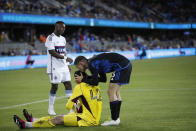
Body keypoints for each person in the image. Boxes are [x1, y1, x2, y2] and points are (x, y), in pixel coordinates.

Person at [13, 71, 102, 129]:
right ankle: (33, 119)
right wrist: (77, 105)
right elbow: (88, 105)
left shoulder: (80, 87)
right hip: (92, 117)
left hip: (87, 119)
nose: (75, 78)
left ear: (83, 77)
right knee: (61, 116)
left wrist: (74, 102)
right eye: (74, 77)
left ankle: (26, 125)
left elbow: (68, 106)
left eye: (77, 76)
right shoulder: (95, 87)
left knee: (58, 119)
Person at [74, 52, 132, 126]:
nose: (79, 69)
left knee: (111, 92)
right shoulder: (94, 62)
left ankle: (114, 119)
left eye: (78, 66)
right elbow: (103, 79)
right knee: (116, 92)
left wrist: (83, 80)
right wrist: (86, 78)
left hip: (122, 67)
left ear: (81, 63)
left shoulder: (91, 64)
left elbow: (95, 82)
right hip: (125, 65)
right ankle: (116, 119)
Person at [45, 21, 73, 115]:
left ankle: (72, 108)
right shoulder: (50, 38)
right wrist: (65, 58)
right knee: (55, 86)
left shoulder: (63, 39)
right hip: (54, 67)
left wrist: (67, 64)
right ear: (56, 27)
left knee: (68, 84)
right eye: (61, 27)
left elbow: (63, 52)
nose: (63, 29)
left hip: (63, 66)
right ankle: (50, 108)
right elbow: (52, 52)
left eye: (64, 28)